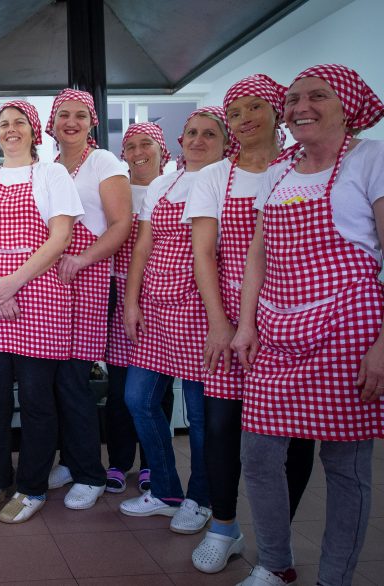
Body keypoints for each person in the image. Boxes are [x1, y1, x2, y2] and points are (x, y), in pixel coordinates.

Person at [232, 64, 384, 586]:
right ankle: (275, 563)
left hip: (349, 327)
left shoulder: (372, 159)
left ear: (347, 105)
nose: (300, 108)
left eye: (316, 97)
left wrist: (383, 347)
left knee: (345, 469)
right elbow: (258, 256)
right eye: (293, 99)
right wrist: (246, 325)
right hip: (277, 326)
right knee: (258, 454)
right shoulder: (280, 171)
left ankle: (334, 578)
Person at [184, 75, 316, 575]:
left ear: (278, 110)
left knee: (294, 434)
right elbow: (203, 254)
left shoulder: (301, 169)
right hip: (227, 315)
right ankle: (223, 527)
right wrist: (219, 323)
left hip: (291, 315)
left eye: (255, 107)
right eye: (235, 112)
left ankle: (276, 546)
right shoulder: (215, 176)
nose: (245, 119)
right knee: (220, 426)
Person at [0, 100, 83, 523]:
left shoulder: (53, 174)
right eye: (4, 125)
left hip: (41, 294)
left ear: (34, 131)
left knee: (36, 400)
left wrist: (13, 283)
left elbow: (60, 237)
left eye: (18, 124)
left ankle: (31, 487)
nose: (11, 130)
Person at [119, 107, 234, 535]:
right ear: (180, 141)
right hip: (158, 308)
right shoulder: (165, 183)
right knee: (139, 399)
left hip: (204, 309)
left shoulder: (228, 179)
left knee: (203, 417)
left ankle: (202, 498)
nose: (198, 140)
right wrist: (132, 302)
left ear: (226, 141)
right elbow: (143, 248)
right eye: (191, 133)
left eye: (209, 133)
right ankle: (166, 491)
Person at [43, 89, 132, 510]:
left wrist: (82, 258)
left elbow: (121, 225)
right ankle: (69, 457)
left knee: (75, 378)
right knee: (54, 377)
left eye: (81, 115)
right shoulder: (48, 166)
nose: (72, 122)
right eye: (64, 115)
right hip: (51, 279)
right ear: (52, 122)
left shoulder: (104, 162)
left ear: (92, 122)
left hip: (90, 274)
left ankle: (90, 474)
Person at [105, 122, 175, 495]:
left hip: (162, 294)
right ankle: (118, 461)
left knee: (158, 387)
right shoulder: (118, 191)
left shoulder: (174, 187)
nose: (137, 152)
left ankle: (152, 464)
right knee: (119, 387)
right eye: (130, 146)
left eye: (145, 143)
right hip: (120, 294)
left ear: (162, 149)